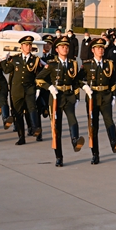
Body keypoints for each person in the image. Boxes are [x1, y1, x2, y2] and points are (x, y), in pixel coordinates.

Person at [38, 36, 86, 167]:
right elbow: (39, 79)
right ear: (57, 49)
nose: (65, 48)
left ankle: (75, 140)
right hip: (55, 97)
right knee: (56, 128)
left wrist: (81, 89)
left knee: (73, 119)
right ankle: (59, 157)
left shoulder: (73, 63)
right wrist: (50, 87)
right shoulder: (52, 64)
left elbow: (76, 81)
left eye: (66, 47)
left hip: (68, 95)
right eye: (62, 47)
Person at [81, 38, 116, 165]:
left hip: (106, 96)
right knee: (93, 126)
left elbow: (113, 81)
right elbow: (76, 79)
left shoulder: (109, 64)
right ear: (93, 50)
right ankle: (95, 154)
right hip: (92, 97)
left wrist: (113, 95)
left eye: (102, 48)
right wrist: (84, 87)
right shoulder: (88, 65)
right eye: (98, 48)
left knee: (109, 121)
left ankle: (113, 142)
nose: (101, 50)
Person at [1, 35, 44, 145]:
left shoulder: (35, 60)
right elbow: (6, 70)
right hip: (17, 90)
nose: (28, 46)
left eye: (30, 44)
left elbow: (39, 75)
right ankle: (21, 137)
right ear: (21, 46)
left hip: (30, 89)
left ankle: (35, 128)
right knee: (17, 113)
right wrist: (2, 60)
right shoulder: (15, 58)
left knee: (32, 108)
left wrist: (38, 88)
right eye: (26, 45)